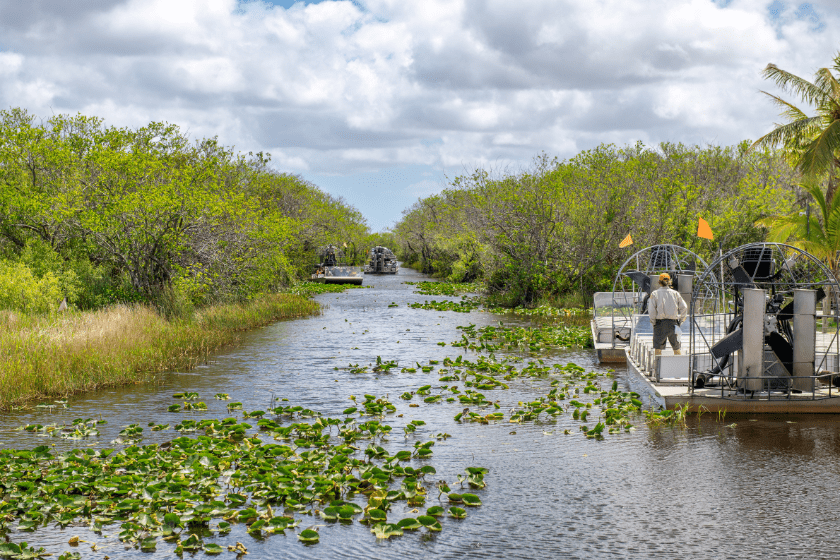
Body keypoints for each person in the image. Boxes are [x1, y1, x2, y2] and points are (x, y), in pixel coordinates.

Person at [648, 273, 688, 356]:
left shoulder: (654, 294)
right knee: (676, 349)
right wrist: (680, 321)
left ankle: (657, 367)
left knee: (658, 350)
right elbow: (684, 307)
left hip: (659, 324)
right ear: (669, 282)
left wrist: (653, 322)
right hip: (673, 324)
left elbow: (651, 311)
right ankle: (679, 366)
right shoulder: (675, 293)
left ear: (659, 282)